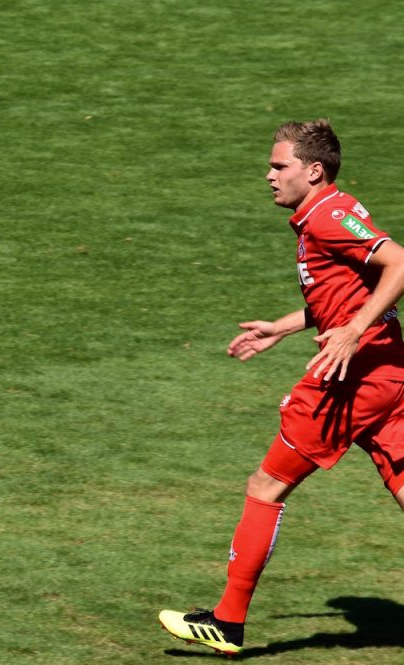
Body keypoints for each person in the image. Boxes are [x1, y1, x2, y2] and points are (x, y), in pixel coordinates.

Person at [159, 119, 404, 654]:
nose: (268, 175)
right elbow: (341, 290)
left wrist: (353, 332)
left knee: (265, 486)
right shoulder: (323, 215)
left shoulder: (330, 215)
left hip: (350, 380)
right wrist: (285, 326)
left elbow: (401, 263)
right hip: (387, 374)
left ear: (313, 171)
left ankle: (227, 622)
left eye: (279, 166)